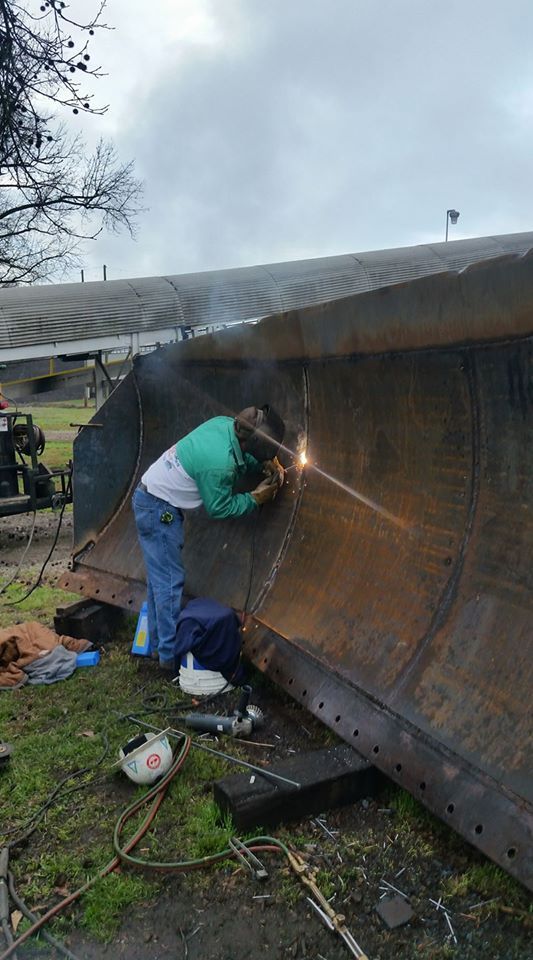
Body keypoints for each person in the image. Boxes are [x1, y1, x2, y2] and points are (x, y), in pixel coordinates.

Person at [132, 405, 285, 675]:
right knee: (168, 583)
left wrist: (263, 464)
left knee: (160, 583)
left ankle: (160, 649)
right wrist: (255, 498)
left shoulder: (224, 424)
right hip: (159, 510)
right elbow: (219, 506)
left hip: (151, 500)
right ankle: (168, 663)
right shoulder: (218, 464)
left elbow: (237, 458)